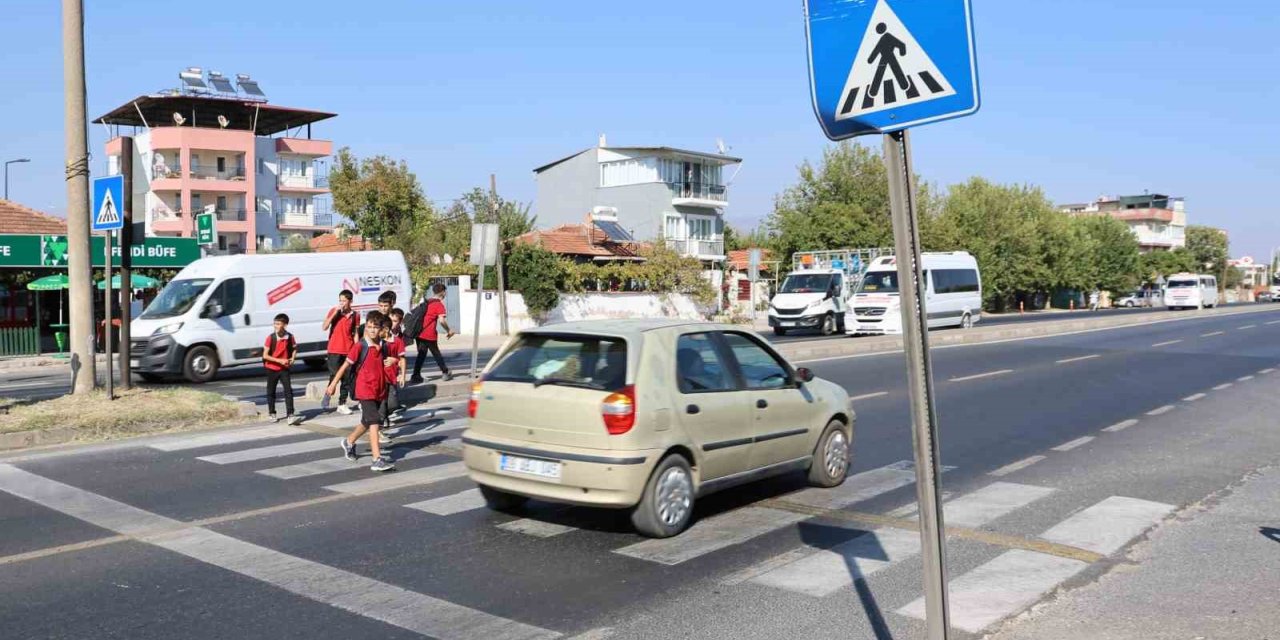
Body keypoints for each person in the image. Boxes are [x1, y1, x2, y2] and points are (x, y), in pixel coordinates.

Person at [327, 311, 397, 473]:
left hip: (379, 389)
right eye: (370, 327)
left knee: (367, 421)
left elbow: (392, 361)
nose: (372, 330)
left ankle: (349, 441)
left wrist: (394, 360)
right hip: (364, 389)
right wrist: (333, 384)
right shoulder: (360, 346)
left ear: (381, 329)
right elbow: (345, 366)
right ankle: (377, 459)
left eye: (375, 327)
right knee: (374, 421)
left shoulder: (384, 346)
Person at [322, 290, 361, 415]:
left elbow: (355, 333)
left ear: (350, 301)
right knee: (334, 374)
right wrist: (335, 313)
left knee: (346, 377)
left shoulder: (355, 315)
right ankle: (328, 393)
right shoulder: (334, 311)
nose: (342, 303)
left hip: (348, 349)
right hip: (334, 349)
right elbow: (324, 326)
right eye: (340, 300)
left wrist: (356, 348)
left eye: (344, 301)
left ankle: (342, 403)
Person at [411, 283, 455, 383]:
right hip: (429, 334)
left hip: (419, 333)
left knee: (421, 354)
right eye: (445, 292)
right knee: (436, 353)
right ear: (443, 292)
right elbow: (442, 320)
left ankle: (415, 375)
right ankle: (445, 372)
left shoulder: (426, 302)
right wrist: (449, 330)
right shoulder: (438, 304)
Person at [263, 313, 301, 425]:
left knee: (288, 391)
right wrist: (279, 360)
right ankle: (272, 413)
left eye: (278, 324)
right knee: (271, 391)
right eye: (275, 323)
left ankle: (291, 415)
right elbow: (265, 355)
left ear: (285, 325)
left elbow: (295, 349)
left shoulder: (290, 337)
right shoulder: (271, 338)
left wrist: (293, 358)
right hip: (271, 368)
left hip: (284, 368)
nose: (276, 326)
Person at [381, 308, 409, 434]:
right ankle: (379, 427)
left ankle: (380, 417)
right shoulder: (377, 341)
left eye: (395, 321)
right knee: (381, 404)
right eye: (390, 321)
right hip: (378, 378)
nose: (392, 324)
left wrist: (402, 375)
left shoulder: (398, 340)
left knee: (392, 404)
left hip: (391, 376)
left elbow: (402, 359)